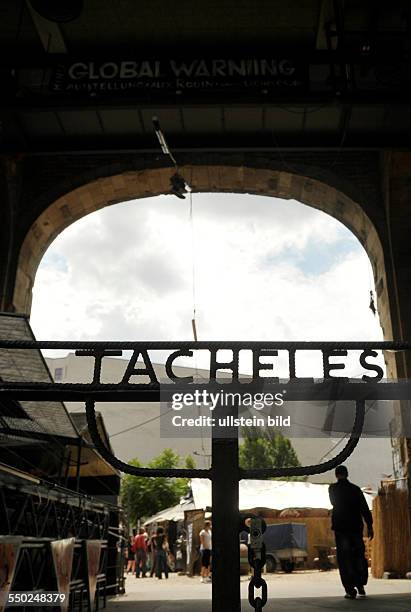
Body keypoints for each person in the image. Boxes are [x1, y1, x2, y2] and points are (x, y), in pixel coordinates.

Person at [328, 465, 373, 600]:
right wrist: (370, 525)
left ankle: (350, 589)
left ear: (336, 475)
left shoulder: (333, 489)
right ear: (347, 474)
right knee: (358, 556)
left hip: (341, 529)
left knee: (345, 559)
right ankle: (360, 585)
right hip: (355, 528)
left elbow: (333, 502)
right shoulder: (355, 490)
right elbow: (364, 508)